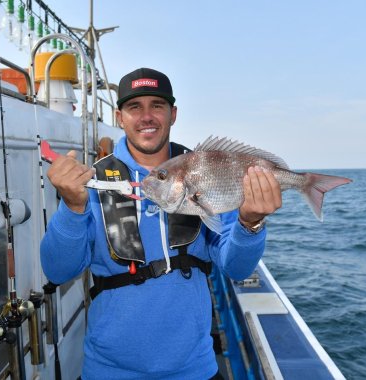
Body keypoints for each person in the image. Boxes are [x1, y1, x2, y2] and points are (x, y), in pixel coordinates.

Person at [40, 67, 282, 379]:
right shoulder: (93, 181)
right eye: (134, 107)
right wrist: (72, 208)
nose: (147, 116)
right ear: (119, 117)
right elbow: (57, 270)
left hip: (194, 368)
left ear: (173, 114)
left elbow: (235, 268)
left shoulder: (206, 173)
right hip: (109, 370)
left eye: (157, 105)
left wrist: (251, 223)